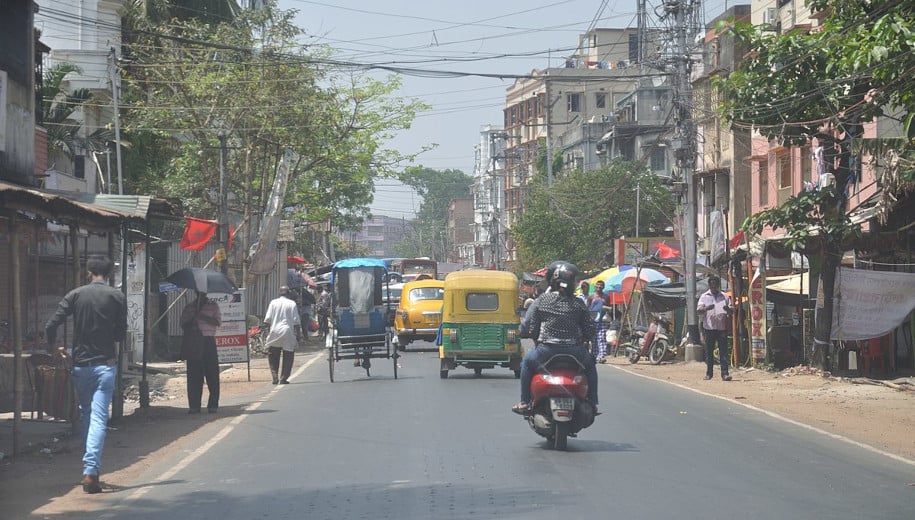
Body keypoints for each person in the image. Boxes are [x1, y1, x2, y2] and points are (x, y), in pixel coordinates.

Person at [44, 255, 126, 494]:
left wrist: (54, 347)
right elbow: (120, 334)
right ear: (109, 274)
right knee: (99, 418)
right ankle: (91, 471)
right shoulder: (117, 297)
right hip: (105, 365)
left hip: (80, 366)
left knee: (87, 414)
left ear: (89, 272)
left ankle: (91, 467)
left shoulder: (75, 294)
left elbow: (51, 325)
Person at [513, 261, 598, 414]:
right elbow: (590, 330)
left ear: (552, 281)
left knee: (526, 362)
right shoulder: (578, 304)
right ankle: (592, 402)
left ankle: (525, 402)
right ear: (573, 284)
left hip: (546, 351)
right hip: (576, 352)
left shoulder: (541, 301)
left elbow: (532, 328)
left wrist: (527, 334)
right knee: (591, 364)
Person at [180, 291, 222, 413]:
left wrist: (202, 316)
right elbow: (183, 324)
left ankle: (213, 405)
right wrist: (192, 319)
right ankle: (194, 406)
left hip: (208, 341)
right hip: (193, 342)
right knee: (194, 375)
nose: (201, 295)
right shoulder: (189, 307)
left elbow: (217, 322)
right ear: (196, 293)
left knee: (212, 373)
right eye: (199, 292)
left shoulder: (213, 305)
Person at [697, 275, 733, 381]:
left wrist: (727, 309)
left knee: (723, 352)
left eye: (716, 285)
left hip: (722, 328)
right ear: (709, 285)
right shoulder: (704, 296)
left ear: (718, 285)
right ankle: (709, 374)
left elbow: (732, 311)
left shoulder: (725, 296)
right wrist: (707, 308)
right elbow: (698, 310)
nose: (714, 287)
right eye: (712, 285)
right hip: (709, 328)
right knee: (709, 352)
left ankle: (725, 374)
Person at [263, 286, 301, 384]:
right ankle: (283, 378)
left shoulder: (273, 302)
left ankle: (275, 376)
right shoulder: (292, 303)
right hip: (287, 331)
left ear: (279, 293)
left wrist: (266, 333)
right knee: (288, 355)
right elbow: (296, 322)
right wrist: (298, 335)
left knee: (272, 355)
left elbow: (267, 320)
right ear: (288, 293)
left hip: (274, 331)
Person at [587, 280, 608, 360]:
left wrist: (606, 308)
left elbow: (609, 307)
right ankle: (595, 355)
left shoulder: (606, 297)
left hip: (602, 320)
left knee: (602, 337)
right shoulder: (591, 297)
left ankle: (602, 355)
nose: (599, 287)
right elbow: (587, 308)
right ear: (595, 287)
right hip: (593, 320)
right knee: (594, 339)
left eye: (601, 285)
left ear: (603, 287)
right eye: (598, 285)